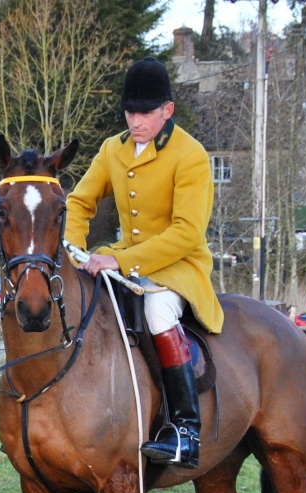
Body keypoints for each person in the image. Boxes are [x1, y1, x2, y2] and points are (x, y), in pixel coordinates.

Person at [63, 56, 224, 470]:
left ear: (167, 110)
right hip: (122, 260)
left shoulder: (191, 155)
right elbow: (79, 202)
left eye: (146, 113)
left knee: (156, 311)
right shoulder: (112, 150)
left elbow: (187, 233)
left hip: (177, 266)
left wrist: (118, 260)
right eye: (130, 112)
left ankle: (186, 431)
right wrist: (74, 250)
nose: (136, 122)